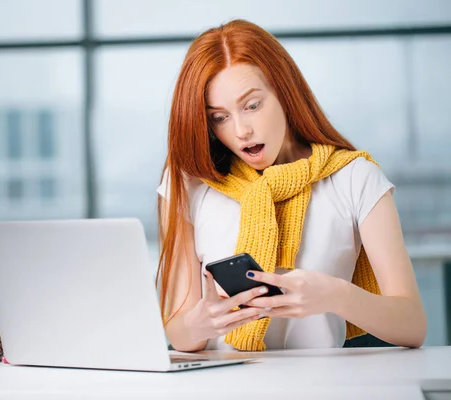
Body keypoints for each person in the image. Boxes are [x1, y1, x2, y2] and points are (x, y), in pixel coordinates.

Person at [155, 19, 427, 352]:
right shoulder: (189, 181)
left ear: (285, 93)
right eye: (219, 117)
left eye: (252, 106)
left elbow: (413, 325)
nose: (240, 130)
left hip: (318, 384)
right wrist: (202, 322)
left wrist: (335, 295)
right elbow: (180, 333)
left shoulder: (355, 177)